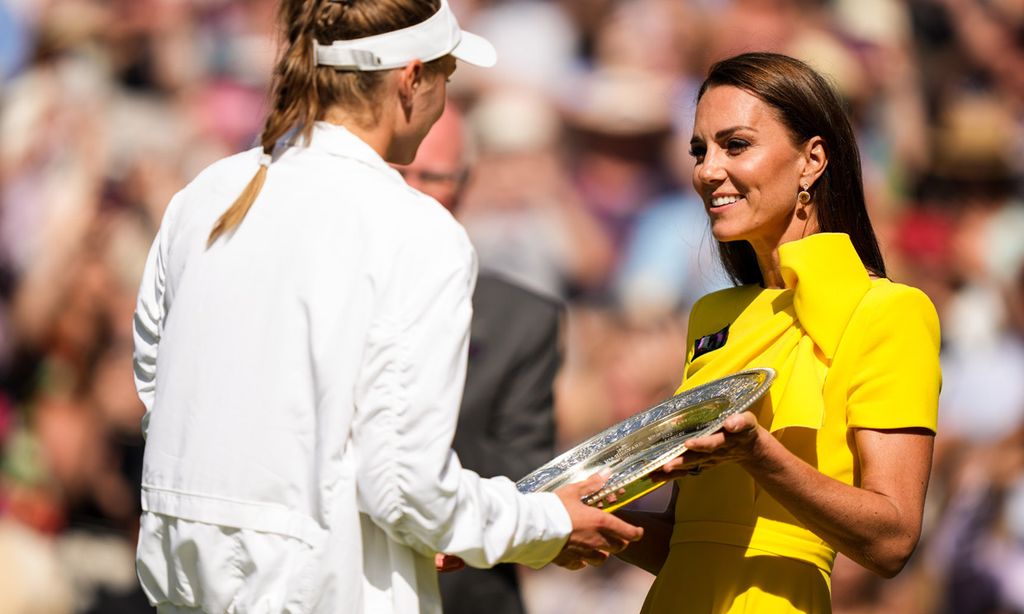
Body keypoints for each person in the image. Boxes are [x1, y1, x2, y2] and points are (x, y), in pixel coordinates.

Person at [130, 1, 642, 612]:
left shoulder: (202, 196)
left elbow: (160, 397)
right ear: (411, 78)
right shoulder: (416, 230)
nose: (446, 96)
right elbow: (404, 487)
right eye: (447, 76)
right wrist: (545, 524)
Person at [615, 52, 941, 613]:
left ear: (811, 159)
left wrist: (759, 454)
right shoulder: (712, 316)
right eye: (700, 150)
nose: (707, 170)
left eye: (734, 145)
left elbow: (892, 540)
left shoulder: (891, 311)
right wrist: (570, 517)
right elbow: (691, 540)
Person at [396, 105, 563, 614]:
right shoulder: (319, 296)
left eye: (434, 176)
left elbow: (524, 474)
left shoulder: (522, 319)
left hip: (464, 593)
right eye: (399, 174)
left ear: (464, 185)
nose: (414, 192)